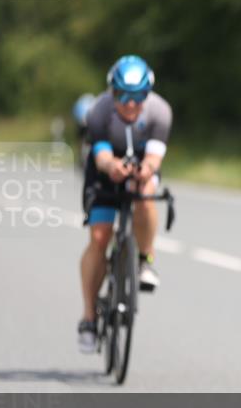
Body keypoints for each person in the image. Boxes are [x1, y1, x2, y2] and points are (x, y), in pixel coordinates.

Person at [77, 55, 172, 353]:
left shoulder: (160, 111)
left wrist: (146, 171)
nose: (130, 104)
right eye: (122, 96)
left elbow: (155, 157)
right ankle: (90, 318)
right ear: (111, 92)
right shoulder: (99, 111)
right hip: (105, 170)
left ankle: (145, 260)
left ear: (148, 93)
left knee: (145, 197)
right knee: (100, 236)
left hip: (141, 166)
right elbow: (102, 155)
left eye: (138, 96)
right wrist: (112, 167)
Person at [71, 93, 96, 167]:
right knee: (82, 139)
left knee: (80, 139)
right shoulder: (93, 102)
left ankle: (80, 156)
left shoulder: (80, 103)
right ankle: (81, 156)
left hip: (83, 125)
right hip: (86, 125)